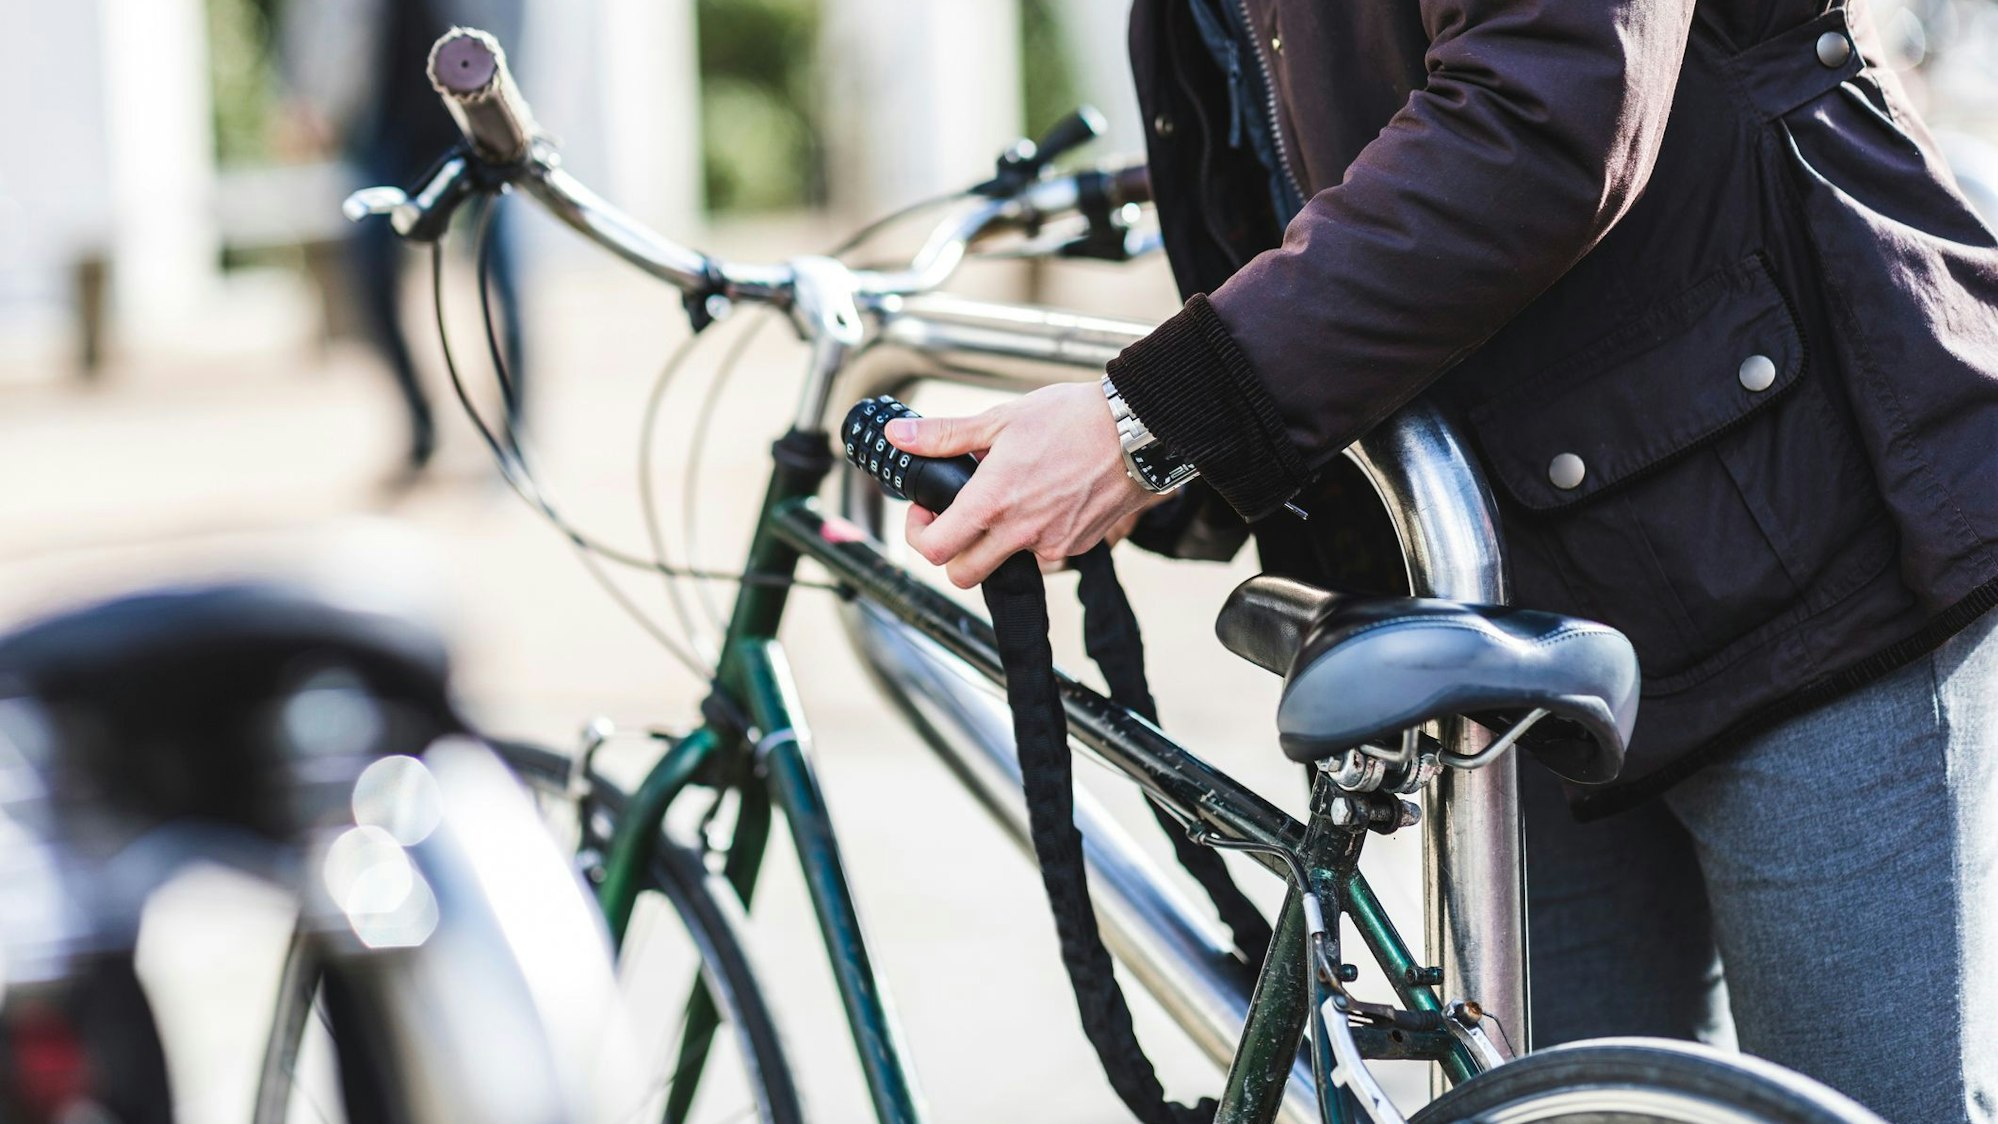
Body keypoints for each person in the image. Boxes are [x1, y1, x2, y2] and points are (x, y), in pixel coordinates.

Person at [884, 2, 1998, 1121]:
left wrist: (1150, 426)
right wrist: (1164, 466)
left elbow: (1547, 104)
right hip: (1524, 590)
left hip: (1810, 531)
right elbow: (1275, 169)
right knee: (1555, 1103)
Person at [279, 0, 528, 480]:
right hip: (388, 119)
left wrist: (523, 112)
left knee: (502, 277)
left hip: (488, 117)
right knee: (368, 267)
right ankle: (420, 422)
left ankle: (516, 439)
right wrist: (309, 95)